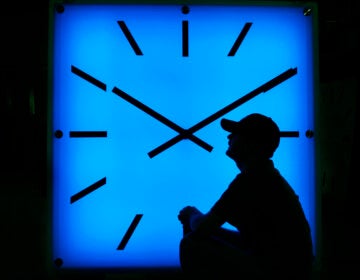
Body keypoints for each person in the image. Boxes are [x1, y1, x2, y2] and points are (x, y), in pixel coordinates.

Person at [178, 113, 314, 279]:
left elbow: (202, 228)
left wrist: (190, 213)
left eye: (236, 133)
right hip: (288, 266)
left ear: (252, 144)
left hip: (279, 272)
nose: (229, 136)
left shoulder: (250, 180)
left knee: (190, 244)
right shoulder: (265, 176)